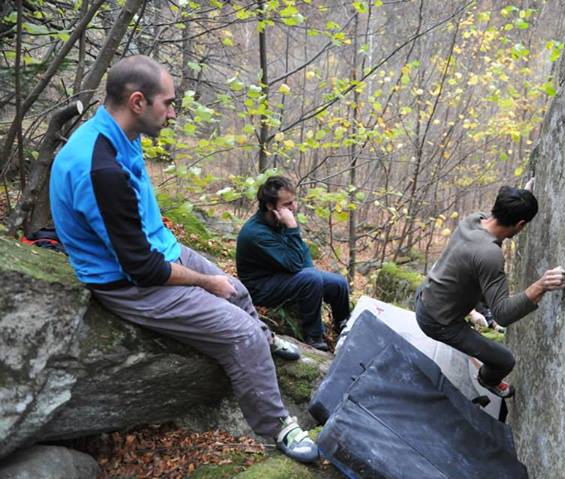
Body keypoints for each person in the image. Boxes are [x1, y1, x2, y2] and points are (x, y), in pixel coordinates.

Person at [49, 55, 318, 463]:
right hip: (128, 283)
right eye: (169, 103)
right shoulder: (100, 168)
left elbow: (138, 228)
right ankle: (277, 426)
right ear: (138, 102)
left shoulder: (120, 133)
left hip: (158, 249)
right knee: (241, 336)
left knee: (237, 291)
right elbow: (142, 269)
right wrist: (205, 282)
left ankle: (264, 340)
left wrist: (211, 279)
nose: (173, 113)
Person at [414, 183, 565, 398]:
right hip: (437, 321)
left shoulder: (474, 220)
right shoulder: (489, 254)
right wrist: (541, 285)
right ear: (521, 224)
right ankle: (487, 379)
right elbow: (503, 315)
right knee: (504, 360)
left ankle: (474, 312)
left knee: (482, 286)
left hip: (429, 290)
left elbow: (501, 217)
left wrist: (520, 199)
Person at [235, 176, 350, 351]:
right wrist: (292, 227)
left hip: (282, 273)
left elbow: (303, 256)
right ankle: (313, 337)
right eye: (287, 204)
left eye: (294, 201)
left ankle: (343, 327)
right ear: (270, 206)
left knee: (338, 283)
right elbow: (295, 264)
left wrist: (309, 271)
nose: (293, 207)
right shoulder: (256, 233)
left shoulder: (278, 221)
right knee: (311, 279)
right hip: (261, 287)